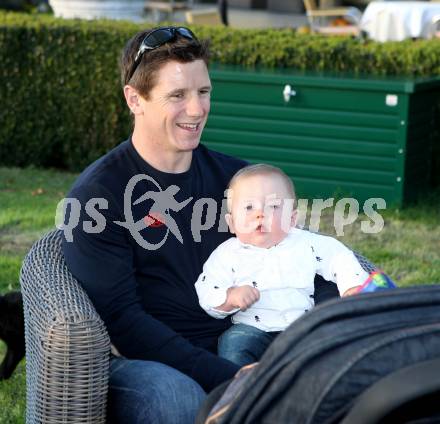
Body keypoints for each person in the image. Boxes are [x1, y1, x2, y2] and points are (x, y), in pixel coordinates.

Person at [61, 27, 248, 424]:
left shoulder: (238, 181)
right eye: (177, 96)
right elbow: (124, 323)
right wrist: (231, 378)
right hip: (144, 361)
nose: (197, 110)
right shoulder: (99, 196)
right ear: (135, 99)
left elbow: (294, 252)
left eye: (204, 92)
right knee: (177, 399)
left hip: (241, 341)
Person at [195, 164, 369, 367]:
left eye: (274, 206)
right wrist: (230, 297)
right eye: (249, 207)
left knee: (329, 343)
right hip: (251, 328)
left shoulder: (306, 243)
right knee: (233, 343)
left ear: (292, 218)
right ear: (232, 223)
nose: (259, 214)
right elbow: (208, 287)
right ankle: (242, 386)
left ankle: (309, 381)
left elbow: (338, 257)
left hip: (301, 328)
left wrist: (351, 286)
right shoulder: (227, 254)